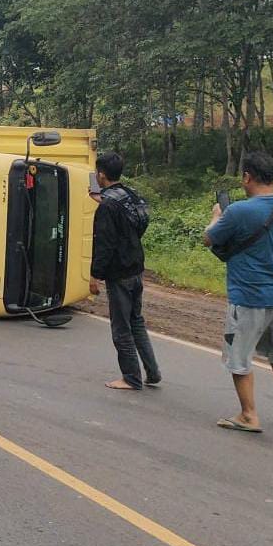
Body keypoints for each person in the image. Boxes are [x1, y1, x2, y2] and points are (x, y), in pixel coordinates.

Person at [204, 151, 273, 432]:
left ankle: (248, 415)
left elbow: (208, 239)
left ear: (247, 177)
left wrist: (215, 217)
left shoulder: (238, 211)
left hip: (249, 295)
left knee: (238, 355)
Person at [88, 151, 161, 390]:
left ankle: (131, 377)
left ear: (101, 174)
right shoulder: (132, 196)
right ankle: (152, 372)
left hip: (119, 272)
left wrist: (95, 275)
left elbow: (104, 243)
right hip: (136, 267)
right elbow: (139, 223)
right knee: (136, 321)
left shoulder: (108, 207)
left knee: (121, 327)